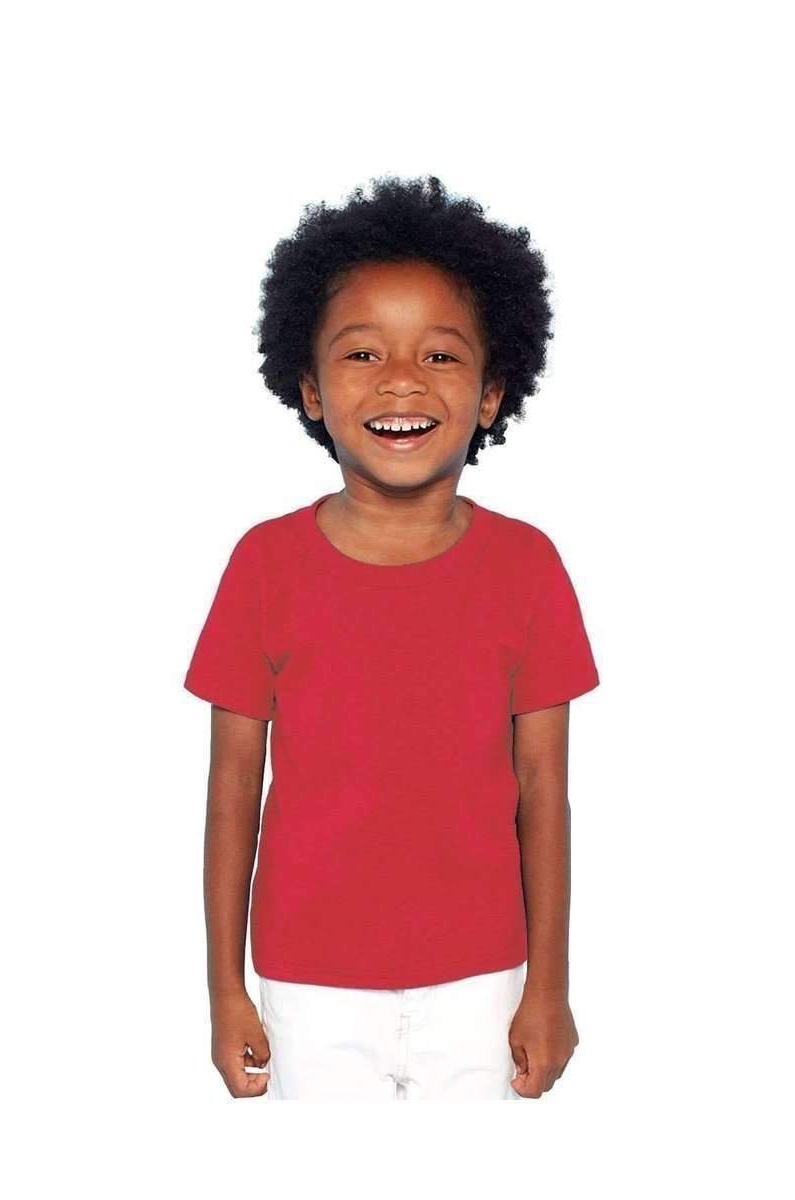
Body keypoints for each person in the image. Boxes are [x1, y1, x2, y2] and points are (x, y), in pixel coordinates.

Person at [183, 174, 600, 1101]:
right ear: (310, 388)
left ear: (492, 392)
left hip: (485, 981)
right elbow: (230, 795)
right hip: (308, 984)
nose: (402, 379)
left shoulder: (528, 566)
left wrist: (550, 987)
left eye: (441, 355)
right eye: (363, 352)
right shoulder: (264, 565)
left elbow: (545, 793)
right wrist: (224, 991)